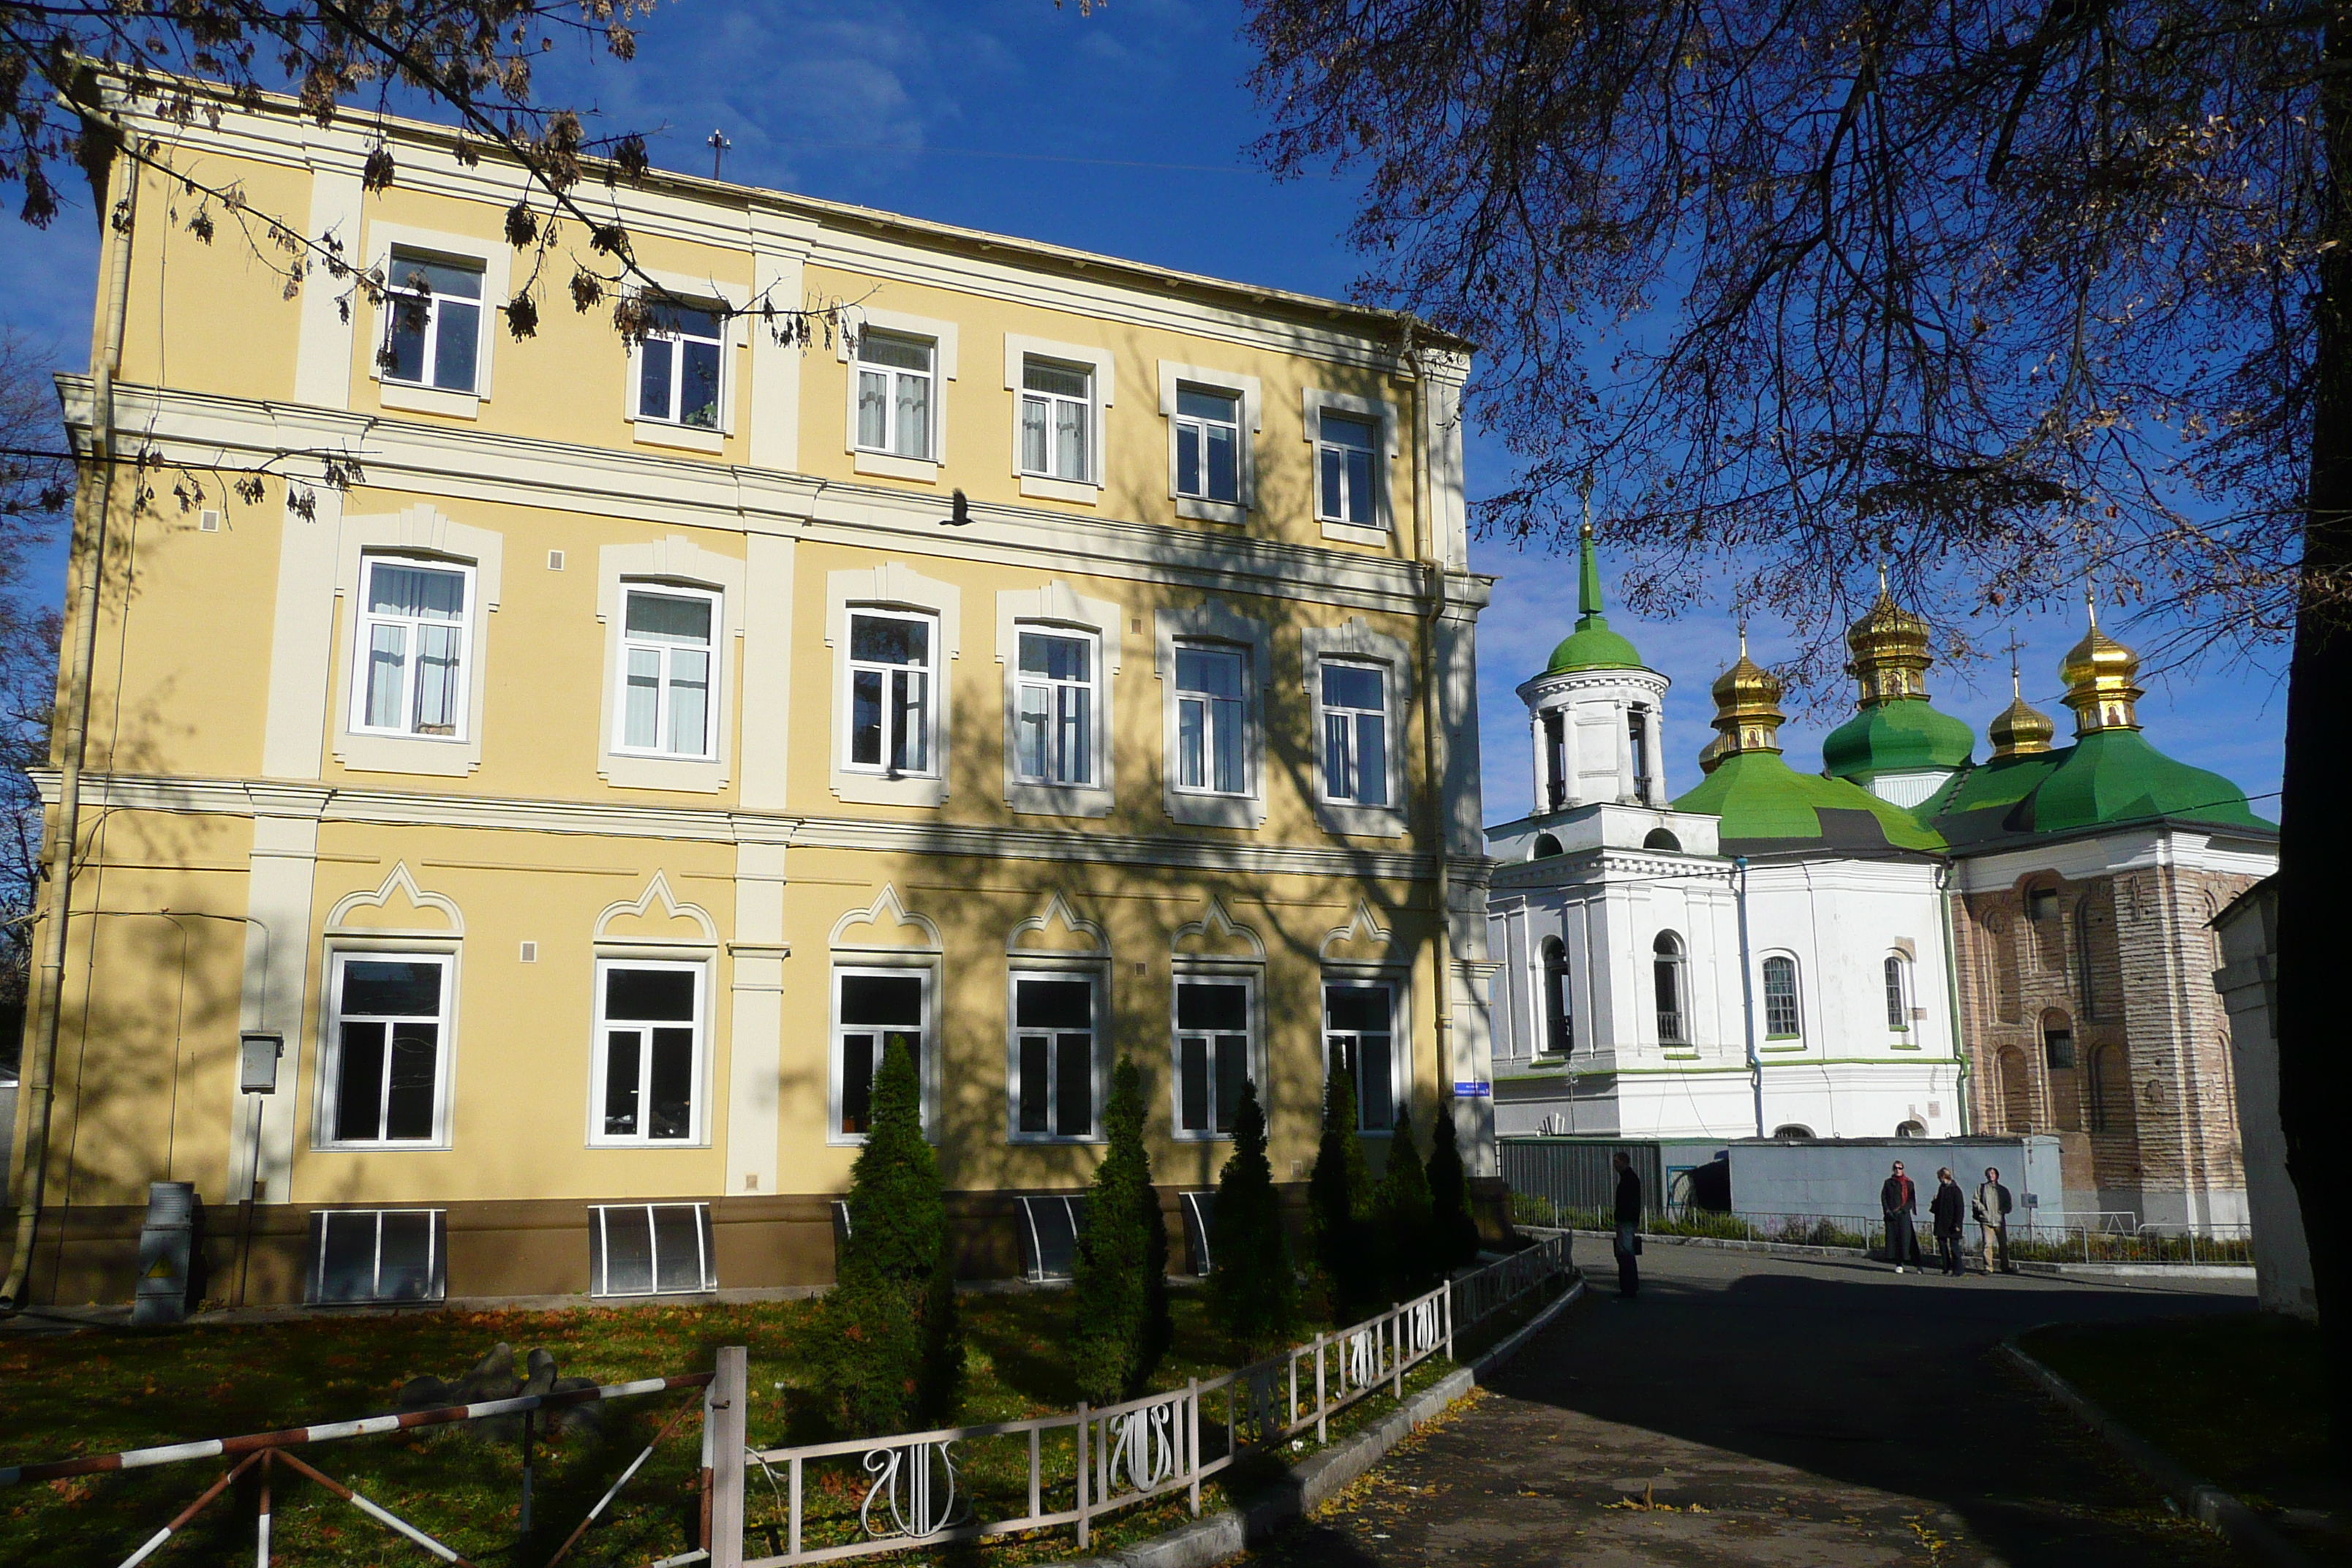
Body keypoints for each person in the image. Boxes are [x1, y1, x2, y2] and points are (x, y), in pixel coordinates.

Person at [1880, 1159, 1922, 1273]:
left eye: (1900, 1168)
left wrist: (1903, 1210)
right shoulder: (1888, 1182)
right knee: (1895, 1240)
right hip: (1892, 1216)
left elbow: (1911, 1200)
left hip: (1904, 1215)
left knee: (1908, 1240)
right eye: (1896, 1168)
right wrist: (1887, 1211)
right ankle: (1899, 1263)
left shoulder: (1908, 1183)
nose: (1898, 1170)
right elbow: (1884, 1197)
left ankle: (1917, 1264)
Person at [1611, 1150, 1643, 1299]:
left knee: (1626, 1253)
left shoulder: (1629, 1180)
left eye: (1617, 1162)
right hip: (1627, 1220)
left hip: (1627, 1221)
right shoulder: (1628, 1178)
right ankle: (1629, 1286)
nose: (1615, 1165)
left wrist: (1622, 1217)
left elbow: (1627, 1202)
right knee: (1625, 1252)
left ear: (1624, 1162)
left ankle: (1629, 1288)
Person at [1973, 1166, 2015, 1274]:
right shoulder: (1981, 1188)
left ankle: (2005, 1266)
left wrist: (2002, 1211)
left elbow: (2009, 1205)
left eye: (1993, 1173)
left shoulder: (2003, 1190)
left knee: (2003, 1245)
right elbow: (1975, 1200)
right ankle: (1988, 1267)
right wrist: (1983, 1210)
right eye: (1989, 1174)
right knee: (1987, 1244)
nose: (1991, 1176)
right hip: (1986, 1221)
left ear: (1997, 1175)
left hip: (1999, 1221)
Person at [1931, 1166, 1967, 1276]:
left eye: (1941, 1177)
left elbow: (1959, 1209)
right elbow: (1938, 1206)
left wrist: (1957, 1224)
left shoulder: (1956, 1190)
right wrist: (1934, 1203)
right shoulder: (1941, 1189)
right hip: (1941, 1222)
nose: (1940, 1180)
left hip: (1952, 1223)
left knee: (1954, 1247)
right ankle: (1946, 1267)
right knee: (1942, 1245)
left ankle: (1958, 1269)